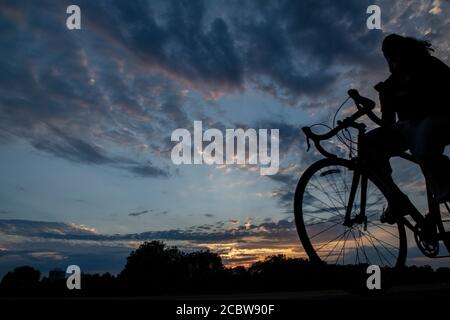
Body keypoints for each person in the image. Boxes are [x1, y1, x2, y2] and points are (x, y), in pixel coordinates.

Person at [355, 34, 450, 224]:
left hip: (436, 118)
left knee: (423, 148)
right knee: (368, 145)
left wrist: (403, 93)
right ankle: (396, 201)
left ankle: (446, 186)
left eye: (393, 54)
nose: (391, 60)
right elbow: (388, 123)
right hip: (406, 128)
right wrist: (385, 97)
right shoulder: (391, 83)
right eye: (388, 56)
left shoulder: (429, 65)